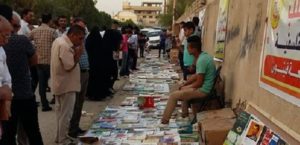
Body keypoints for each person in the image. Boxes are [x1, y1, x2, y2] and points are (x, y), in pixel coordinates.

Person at [1, 12, 44, 145]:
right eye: (15, 26)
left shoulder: (3, 47)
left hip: (9, 98)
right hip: (23, 94)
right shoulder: (22, 40)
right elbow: (34, 60)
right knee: (33, 132)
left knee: (8, 134)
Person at [161, 35, 216, 124]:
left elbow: (199, 83)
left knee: (173, 96)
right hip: (204, 87)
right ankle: (184, 115)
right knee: (180, 89)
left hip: (204, 90)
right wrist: (185, 84)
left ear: (194, 49)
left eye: (188, 48)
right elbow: (196, 75)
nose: (186, 50)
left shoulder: (202, 60)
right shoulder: (202, 56)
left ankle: (164, 120)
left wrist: (187, 87)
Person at [51, 25, 85, 145]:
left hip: (61, 83)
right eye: (80, 38)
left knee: (61, 114)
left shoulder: (59, 41)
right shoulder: (65, 45)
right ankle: (63, 140)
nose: (80, 41)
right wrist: (78, 55)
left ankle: (60, 137)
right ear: (73, 35)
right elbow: (69, 66)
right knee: (66, 114)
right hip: (66, 85)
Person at [29, 13, 58, 111]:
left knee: (42, 84)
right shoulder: (53, 31)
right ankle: (57, 101)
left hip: (38, 61)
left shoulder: (34, 31)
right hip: (50, 61)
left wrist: (34, 49)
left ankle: (44, 105)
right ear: (50, 21)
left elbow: (27, 39)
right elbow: (58, 45)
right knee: (54, 82)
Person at [68, 18, 89, 139]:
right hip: (77, 72)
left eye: (84, 27)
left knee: (80, 102)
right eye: (81, 26)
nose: (83, 29)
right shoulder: (72, 39)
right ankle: (71, 129)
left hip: (85, 71)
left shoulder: (82, 38)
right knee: (74, 103)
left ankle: (76, 126)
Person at [0, 15, 13, 141]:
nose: (7, 40)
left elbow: (6, 77)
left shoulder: (1, 51)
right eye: (5, 36)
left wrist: (7, 100)